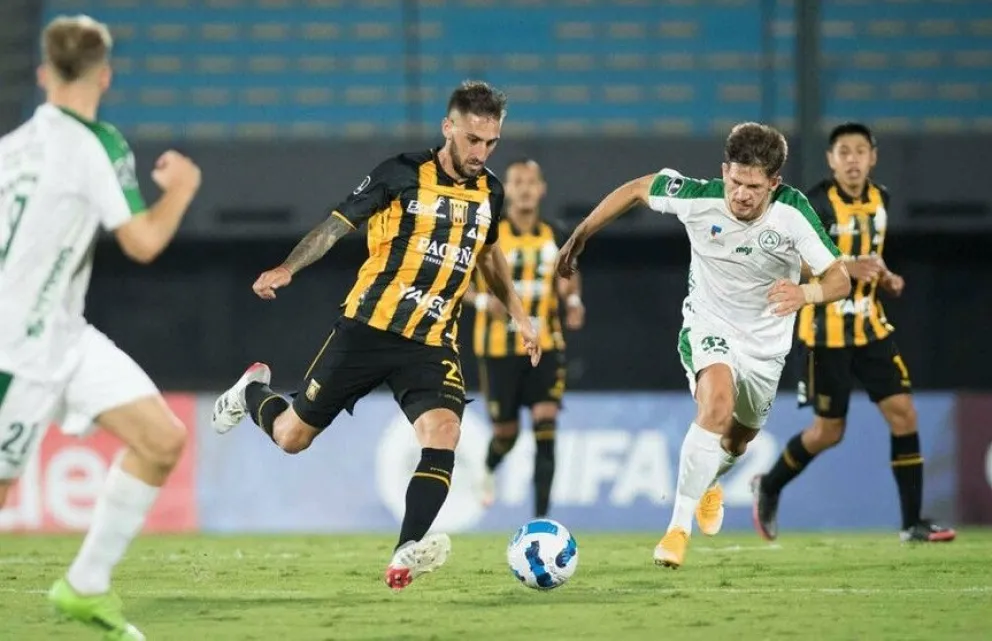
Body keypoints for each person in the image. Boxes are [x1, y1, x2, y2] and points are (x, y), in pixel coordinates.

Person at [211, 81, 541, 591]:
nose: (482, 152)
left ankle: (405, 552)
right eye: (474, 139)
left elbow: (488, 252)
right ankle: (250, 392)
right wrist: (287, 268)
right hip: (367, 330)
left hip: (431, 342)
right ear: (448, 127)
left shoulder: (491, 192)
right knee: (292, 437)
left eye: (491, 142)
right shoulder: (400, 174)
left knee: (443, 433)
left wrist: (519, 314)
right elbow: (336, 225)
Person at [556, 122, 852, 569]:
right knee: (715, 404)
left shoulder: (793, 213)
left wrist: (806, 294)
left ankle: (710, 483)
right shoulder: (699, 197)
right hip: (709, 325)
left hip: (767, 347)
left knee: (738, 439)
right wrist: (581, 234)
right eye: (735, 182)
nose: (741, 195)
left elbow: (840, 278)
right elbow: (638, 188)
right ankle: (677, 530)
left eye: (754, 186)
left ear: (774, 182)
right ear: (724, 172)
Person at [0, 15, 200, 639]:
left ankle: (84, 587)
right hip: (15, 353)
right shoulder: (99, 144)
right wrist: (182, 189)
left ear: (43, 74)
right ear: (105, 75)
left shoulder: (9, 151)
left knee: (162, 439)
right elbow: (143, 241)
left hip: (66, 335)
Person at [751, 122, 956, 543]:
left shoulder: (882, 199)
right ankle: (769, 485)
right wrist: (848, 267)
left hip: (871, 327)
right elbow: (798, 264)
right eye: (843, 151)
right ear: (831, 160)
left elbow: (872, 260)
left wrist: (886, 278)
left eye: (860, 151)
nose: (852, 159)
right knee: (830, 432)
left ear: (873, 157)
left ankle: (911, 524)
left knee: (904, 415)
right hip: (825, 335)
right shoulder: (814, 203)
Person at [463, 158, 584, 518]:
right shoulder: (488, 233)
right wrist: (484, 300)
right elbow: (461, 280)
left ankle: (542, 520)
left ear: (542, 189)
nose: (526, 188)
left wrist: (573, 299)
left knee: (546, 422)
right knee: (507, 433)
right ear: (508, 189)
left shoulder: (556, 233)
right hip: (498, 347)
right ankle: (487, 468)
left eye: (532, 182)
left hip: (547, 344)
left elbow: (569, 272)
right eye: (518, 182)